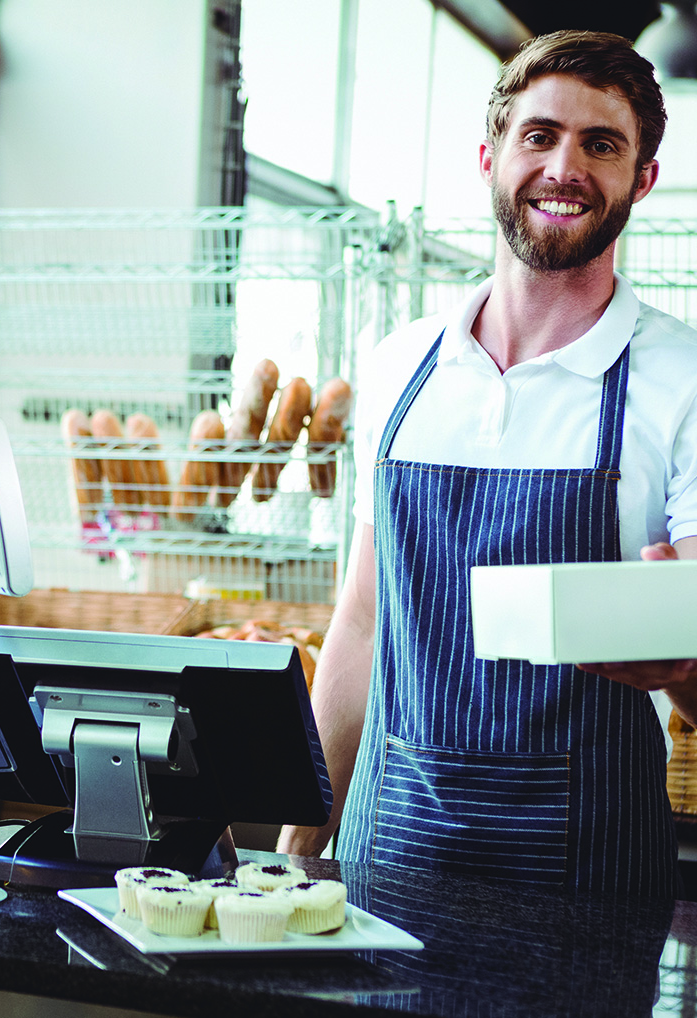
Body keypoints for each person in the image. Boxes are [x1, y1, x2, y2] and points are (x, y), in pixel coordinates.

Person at [277, 29, 697, 896]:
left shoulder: (682, 379)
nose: (563, 166)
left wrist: (686, 670)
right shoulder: (401, 364)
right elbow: (360, 624)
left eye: (601, 144)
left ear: (642, 179)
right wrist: (296, 847)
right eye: (539, 135)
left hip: (589, 881)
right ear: (489, 156)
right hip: (383, 857)